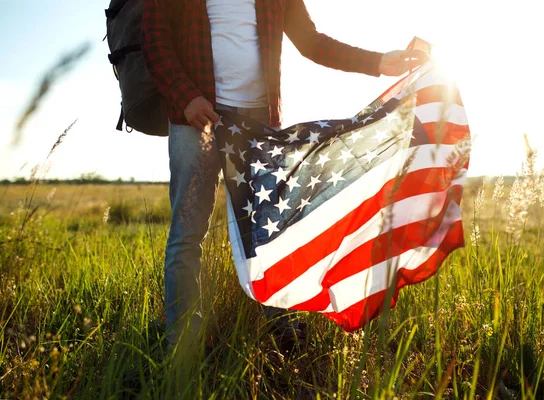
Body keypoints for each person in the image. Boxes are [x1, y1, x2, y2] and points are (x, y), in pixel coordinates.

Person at [141, 0, 428, 350]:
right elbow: (154, 38)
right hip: (195, 118)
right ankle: (182, 348)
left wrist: (379, 62)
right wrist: (186, 97)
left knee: (269, 233)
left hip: (259, 124)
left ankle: (281, 336)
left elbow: (311, 42)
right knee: (187, 234)